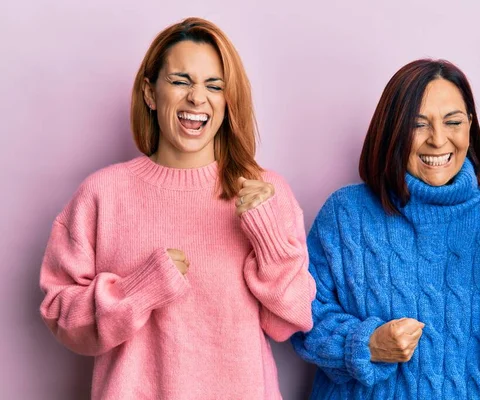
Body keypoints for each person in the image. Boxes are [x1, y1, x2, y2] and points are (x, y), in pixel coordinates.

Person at [39, 17, 315, 400]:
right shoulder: (102, 193)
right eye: (181, 81)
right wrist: (140, 287)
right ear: (151, 94)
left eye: (214, 85)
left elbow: (289, 322)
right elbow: (61, 316)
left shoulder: (264, 194)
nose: (197, 98)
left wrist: (267, 239)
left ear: (227, 100)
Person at [292, 59, 480, 399]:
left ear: (470, 125)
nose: (438, 140)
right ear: (393, 130)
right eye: (418, 125)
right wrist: (367, 344)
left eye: (453, 121)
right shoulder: (346, 214)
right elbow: (303, 317)